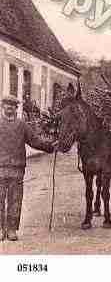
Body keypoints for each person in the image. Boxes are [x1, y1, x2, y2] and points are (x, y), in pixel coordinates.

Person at [0, 96, 56, 241]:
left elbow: (35, 141)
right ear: (2, 106)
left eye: (12, 106)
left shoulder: (22, 125)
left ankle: (12, 230)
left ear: (16, 108)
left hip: (17, 169)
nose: (9, 108)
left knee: (16, 200)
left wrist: (51, 146)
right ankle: (1, 230)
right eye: (7, 105)